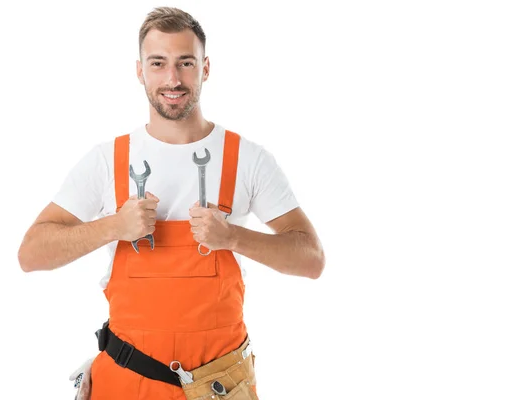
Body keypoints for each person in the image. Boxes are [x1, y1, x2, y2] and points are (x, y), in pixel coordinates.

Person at [17, 6, 325, 400]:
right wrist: (114, 226)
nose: (173, 79)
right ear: (140, 71)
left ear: (206, 68)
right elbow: (30, 254)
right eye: (158, 63)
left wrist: (233, 237)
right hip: (125, 384)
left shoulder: (246, 159)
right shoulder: (107, 158)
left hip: (220, 387)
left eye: (185, 63)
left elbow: (312, 258)